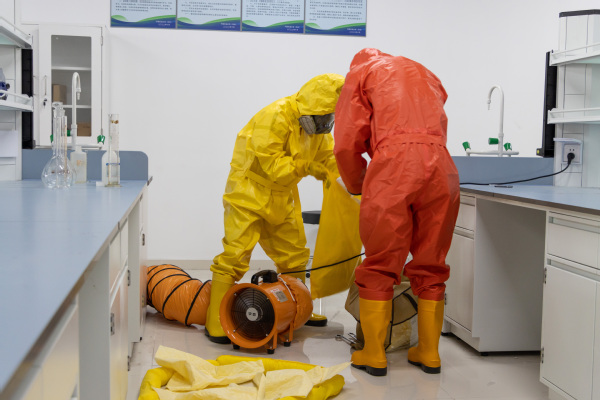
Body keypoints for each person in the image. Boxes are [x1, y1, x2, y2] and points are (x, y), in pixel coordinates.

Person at [333, 48, 460, 376]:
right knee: (432, 264)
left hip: (393, 167)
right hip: (442, 166)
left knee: (380, 263)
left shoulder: (361, 73)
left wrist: (357, 184)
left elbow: (346, 141)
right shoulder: (426, 74)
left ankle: (374, 354)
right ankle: (429, 352)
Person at [206, 73, 346, 344]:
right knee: (235, 255)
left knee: (294, 255)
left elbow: (327, 156)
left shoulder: (316, 126)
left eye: (330, 117)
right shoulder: (276, 115)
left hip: (282, 195)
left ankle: (297, 312)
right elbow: (270, 164)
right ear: (310, 108)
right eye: (323, 116)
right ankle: (216, 322)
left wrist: (343, 176)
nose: (325, 124)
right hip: (248, 192)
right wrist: (306, 167)